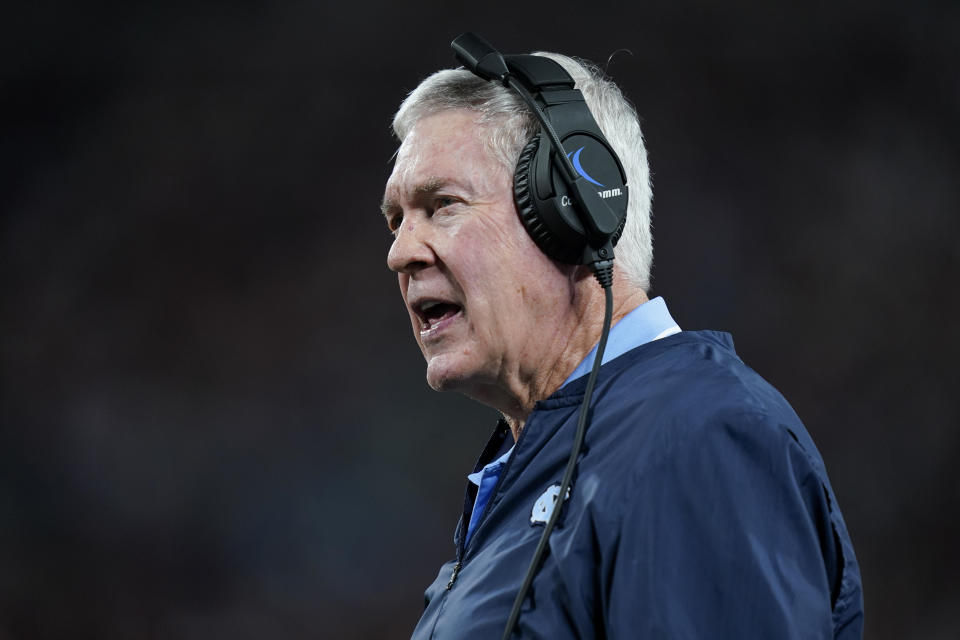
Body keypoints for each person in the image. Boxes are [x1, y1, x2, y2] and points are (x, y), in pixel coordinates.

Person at [381, 43, 864, 640]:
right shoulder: (555, 458)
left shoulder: (696, 435)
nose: (400, 251)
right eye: (396, 219)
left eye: (442, 205)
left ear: (573, 208)